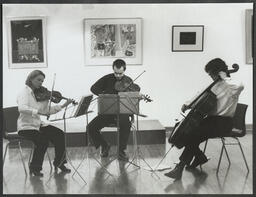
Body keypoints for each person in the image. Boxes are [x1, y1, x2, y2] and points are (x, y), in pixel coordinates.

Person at [164, 58, 244, 180]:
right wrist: (188, 104)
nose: (211, 77)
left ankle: (180, 167)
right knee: (189, 133)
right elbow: (201, 94)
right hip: (211, 120)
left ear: (219, 72)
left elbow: (241, 85)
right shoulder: (215, 85)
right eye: (210, 74)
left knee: (194, 135)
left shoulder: (232, 86)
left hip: (224, 123)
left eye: (212, 73)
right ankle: (198, 157)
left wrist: (225, 78)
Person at [17, 70, 73, 177]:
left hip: (38, 125)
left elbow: (47, 111)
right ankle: (35, 167)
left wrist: (64, 105)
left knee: (59, 134)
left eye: (42, 81)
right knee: (43, 141)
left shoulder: (41, 95)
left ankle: (59, 163)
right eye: (38, 80)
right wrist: (37, 112)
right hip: (26, 127)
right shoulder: (24, 92)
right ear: (31, 79)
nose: (40, 83)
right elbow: (22, 108)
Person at [87, 59, 140, 161]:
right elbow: (93, 88)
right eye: (116, 73)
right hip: (108, 113)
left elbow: (135, 91)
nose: (118, 76)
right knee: (91, 127)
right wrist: (105, 95)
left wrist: (135, 95)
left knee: (126, 124)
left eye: (120, 73)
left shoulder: (128, 81)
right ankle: (104, 145)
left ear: (124, 70)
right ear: (113, 69)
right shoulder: (107, 78)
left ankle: (121, 151)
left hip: (123, 113)